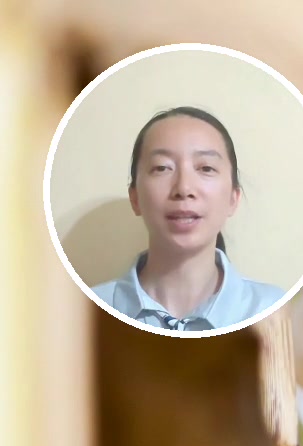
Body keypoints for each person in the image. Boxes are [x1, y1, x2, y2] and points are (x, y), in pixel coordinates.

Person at [92, 107, 285, 332]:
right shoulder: (89, 311)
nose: (183, 188)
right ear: (135, 198)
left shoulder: (273, 310)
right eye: (162, 168)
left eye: (206, 168)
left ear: (233, 198)